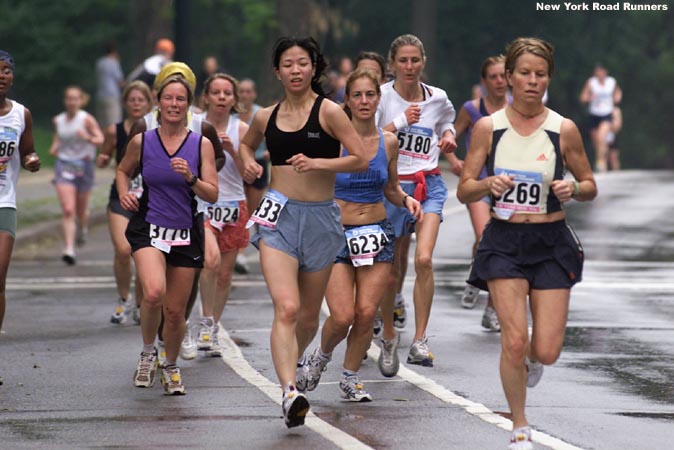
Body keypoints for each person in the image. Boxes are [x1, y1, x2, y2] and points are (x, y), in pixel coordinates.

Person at [457, 37, 597, 450]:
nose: (532, 81)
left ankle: (536, 361)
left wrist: (574, 188)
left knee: (546, 350)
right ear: (510, 79)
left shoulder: (563, 129)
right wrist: (486, 183)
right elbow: (465, 189)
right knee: (513, 340)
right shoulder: (488, 127)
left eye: (540, 74)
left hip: (551, 239)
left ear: (548, 78)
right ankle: (519, 425)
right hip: (503, 240)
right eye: (524, 73)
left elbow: (590, 184)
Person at [239, 36, 367, 428]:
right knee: (287, 307)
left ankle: (290, 366)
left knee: (309, 316)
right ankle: (289, 390)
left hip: (320, 221)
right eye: (288, 64)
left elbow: (360, 157)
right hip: (277, 218)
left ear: (314, 68)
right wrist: (247, 163)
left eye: (302, 63)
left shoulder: (329, 112)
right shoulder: (265, 115)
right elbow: (245, 146)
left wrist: (319, 164)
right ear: (277, 71)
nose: (295, 70)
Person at [299, 69, 422, 402]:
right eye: (358, 95)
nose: (365, 101)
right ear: (347, 101)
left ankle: (350, 378)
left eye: (370, 94)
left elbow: (392, 188)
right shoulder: (332, 141)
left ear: (378, 99)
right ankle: (320, 357)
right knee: (342, 316)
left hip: (377, 232)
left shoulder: (389, 141)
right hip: (337, 233)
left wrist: (408, 199)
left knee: (368, 313)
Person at [118, 75, 218, 396]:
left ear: (188, 105)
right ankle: (148, 352)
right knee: (153, 293)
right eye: (168, 99)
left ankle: (171, 365)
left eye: (180, 100)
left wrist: (191, 178)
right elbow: (123, 170)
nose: (174, 105)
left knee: (175, 312)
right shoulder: (143, 141)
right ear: (157, 103)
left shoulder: (200, 143)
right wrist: (123, 193)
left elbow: (212, 193)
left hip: (185, 230)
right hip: (148, 226)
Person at [376, 34, 457, 374]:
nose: (409, 67)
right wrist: (400, 122)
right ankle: (389, 336)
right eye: (403, 61)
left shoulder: (437, 98)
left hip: (429, 184)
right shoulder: (380, 96)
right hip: (392, 187)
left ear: (423, 62)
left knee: (423, 259)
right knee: (390, 269)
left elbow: (447, 120)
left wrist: (449, 135)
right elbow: (366, 137)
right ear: (392, 64)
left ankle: (420, 340)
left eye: (415, 60)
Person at [445, 56, 509, 332]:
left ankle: (491, 308)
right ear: (484, 82)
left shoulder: (517, 110)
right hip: (480, 184)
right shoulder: (472, 109)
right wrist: (455, 162)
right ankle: (476, 274)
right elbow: (449, 136)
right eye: (492, 76)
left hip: (508, 186)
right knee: (486, 239)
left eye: (502, 76)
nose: (498, 81)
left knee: (503, 249)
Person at [195, 73, 249, 357]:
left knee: (225, 275)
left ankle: (213, 326)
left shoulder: (241, 129)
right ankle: (204, 320)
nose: (221, 98)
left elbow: (249, 175)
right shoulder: (195, 125)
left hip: (233, 204)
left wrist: (232, 151)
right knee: (210, 261)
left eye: (227, 93)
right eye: (216, 93)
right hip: (204, 203)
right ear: (206, 97)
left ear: (234, 99)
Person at [0, 50, 42, 386]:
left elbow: (28, 149)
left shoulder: (21, 114)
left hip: (5, 203)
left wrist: (30, 159)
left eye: (6, 70)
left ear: (13, 76)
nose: (1, 76)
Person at [96, 80, 153, 325]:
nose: (136, 103)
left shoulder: (154, 129)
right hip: (121, 195)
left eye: (141, 99)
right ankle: (124, 298)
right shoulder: (114, 130)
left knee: (143, 252)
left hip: (149, 198)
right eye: (132, 100)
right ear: (125, 103)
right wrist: (102, 158)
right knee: (123, 249)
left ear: (149, 103)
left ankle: (141, 303)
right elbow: (106, 154)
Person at [49, 86, 104, 265]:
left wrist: (86, 137)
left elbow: (100, 140)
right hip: (64, 165)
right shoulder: (58, 120)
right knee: (68, 209)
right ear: (65, 101)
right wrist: (55, 146)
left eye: (75, 99)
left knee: (81, 210)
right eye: (69, 98)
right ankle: (69, 248)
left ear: (81, 101)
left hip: (84, 165)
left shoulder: (86, 119)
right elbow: (59, 137)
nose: (72, 102)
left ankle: (83, 227)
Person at [238, 78, 268, 275]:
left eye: (249, 91)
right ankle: (239, 252)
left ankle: (262, 248)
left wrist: (268, 154)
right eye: (242, 91)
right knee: (240, 208)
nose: (245, 95)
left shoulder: (260, 113)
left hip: (259, 164)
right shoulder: (233, 114)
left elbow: (273, 139)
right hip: (238, 165)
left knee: (253, 210)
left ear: (254, 94)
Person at [579, 64, 622, 172]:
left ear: (605, 72)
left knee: (601, 137)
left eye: (601, 71)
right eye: (597, 72)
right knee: (596, 141)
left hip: (606, 113)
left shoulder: (611, 82)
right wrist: (589, 98)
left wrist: (616, 100)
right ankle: (601, 158)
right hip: (594, 114)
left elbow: (618, 92)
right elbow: (583, 97)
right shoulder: (591, 82)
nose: (599, 74)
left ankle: (601, 162)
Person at [95, 42, 125, 128]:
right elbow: (120, 81)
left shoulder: (99, 63)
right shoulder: (113, 62)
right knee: (114, 124)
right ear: (114, 52)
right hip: (112, 96)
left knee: (102, 125)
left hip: (100, 96)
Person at [607, 105, 622, 171]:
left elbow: (618, 126)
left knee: (614, 158)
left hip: (612, 134)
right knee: (604, 157)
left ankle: (616, 173)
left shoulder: (615, 110)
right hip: (601, 137)